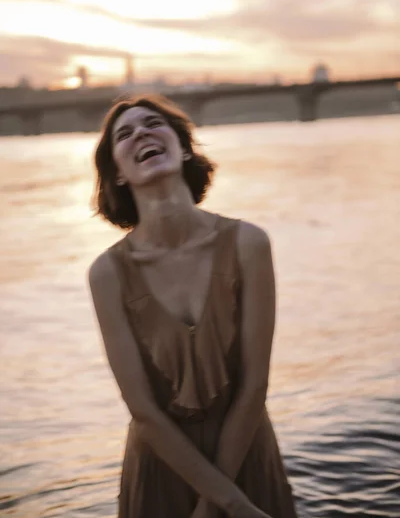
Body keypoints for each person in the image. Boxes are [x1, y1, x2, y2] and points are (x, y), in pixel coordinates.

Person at [88, 94, 297, 518]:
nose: (141, 133)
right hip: (162, 468)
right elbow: (143, 410)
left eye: (152, 124)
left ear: (183, 148)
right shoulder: (106, 273)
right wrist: (228, 502)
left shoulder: (248, 244)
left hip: (246, 454)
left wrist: (216, 502)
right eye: (124, 134)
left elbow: (254, 384)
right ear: (119, 174)